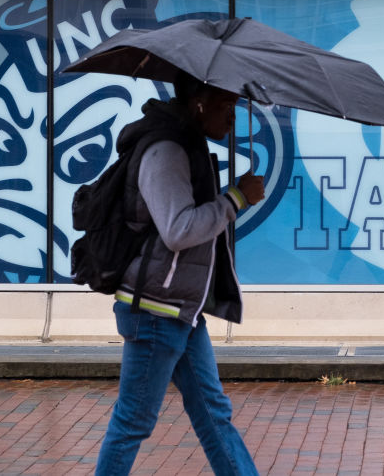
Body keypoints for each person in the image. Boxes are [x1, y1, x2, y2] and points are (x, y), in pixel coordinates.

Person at [95, 71, 264, 476]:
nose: (233, 118)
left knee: (213, 414)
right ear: (199, 102)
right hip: (155, 311)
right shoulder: (166, 150)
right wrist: (236, 199)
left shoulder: (186, 144)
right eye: (226, 106)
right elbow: (178, 230)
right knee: (133, 421)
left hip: (180, 310)